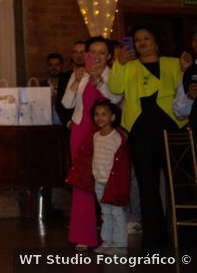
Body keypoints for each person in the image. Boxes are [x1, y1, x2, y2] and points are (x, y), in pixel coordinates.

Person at [108, 25, 188, 248]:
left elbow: (186, 90)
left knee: (179, 183)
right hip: (140, 131)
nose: (142, 43)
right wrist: (119, 64)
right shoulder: (128, 65)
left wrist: (187, 68)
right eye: (138, 40)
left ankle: (187, 236)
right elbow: (115, 88)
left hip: (171, 127)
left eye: (147, 38)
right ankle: (154, 240)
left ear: (156, 41)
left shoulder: (173, 63)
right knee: (147, 185)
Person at [60, 36, 121, 251]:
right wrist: (76, 81)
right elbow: (66, 103)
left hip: (104, 134)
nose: (96, 57)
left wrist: (99, 82)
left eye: (101, 52)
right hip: (80, 131)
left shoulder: (113, 75)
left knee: (106, 183)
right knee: (82, 183)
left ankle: (111, 237)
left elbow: (117, 100)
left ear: (110, 56)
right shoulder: (80, 74)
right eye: (91, 52)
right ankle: (83, 235)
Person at [66, 98, 131, 256]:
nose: (99, 118)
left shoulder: (117, 138)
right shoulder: (95, 137)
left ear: (112, 117)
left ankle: (120, 244)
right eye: (96, 114)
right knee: (105, 212)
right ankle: (107, 241)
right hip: (99, 181)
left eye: (104, 114)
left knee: (116, 212)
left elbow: (123, 164)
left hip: (113, 183)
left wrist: (119, 182)